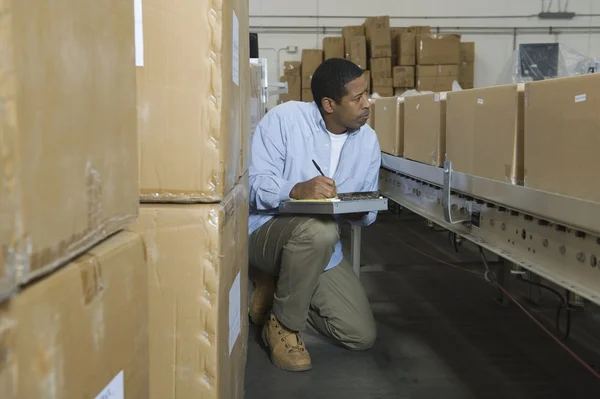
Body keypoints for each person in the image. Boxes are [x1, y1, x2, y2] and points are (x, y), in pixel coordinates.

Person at [248, 58, 381, 372]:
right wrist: (295, 189)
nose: (368, 103)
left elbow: (367, 209)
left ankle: (273, 294)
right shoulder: (284, 120)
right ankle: (283, 326)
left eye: (367, 94)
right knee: (318, 231)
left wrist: (361, 212)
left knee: (359, 335)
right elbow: (253, 185)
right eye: (357, 98)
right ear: (329, 104)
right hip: (265, 232)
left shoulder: (368, 141)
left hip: (320, 248)